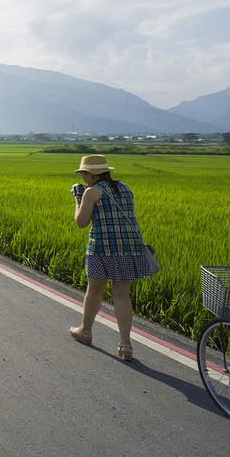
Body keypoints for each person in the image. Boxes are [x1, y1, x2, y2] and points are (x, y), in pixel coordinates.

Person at [69, 154, 153, 361]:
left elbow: (81, 222)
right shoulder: (124, 188)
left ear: (91, 174)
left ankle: (85, 331)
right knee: (122, 295)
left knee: (95, 290)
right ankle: (125, 345)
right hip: (130, 248)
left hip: (101, 249)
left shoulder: (92, 192)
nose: (83, 178)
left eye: (83, 174)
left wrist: (78, 201)